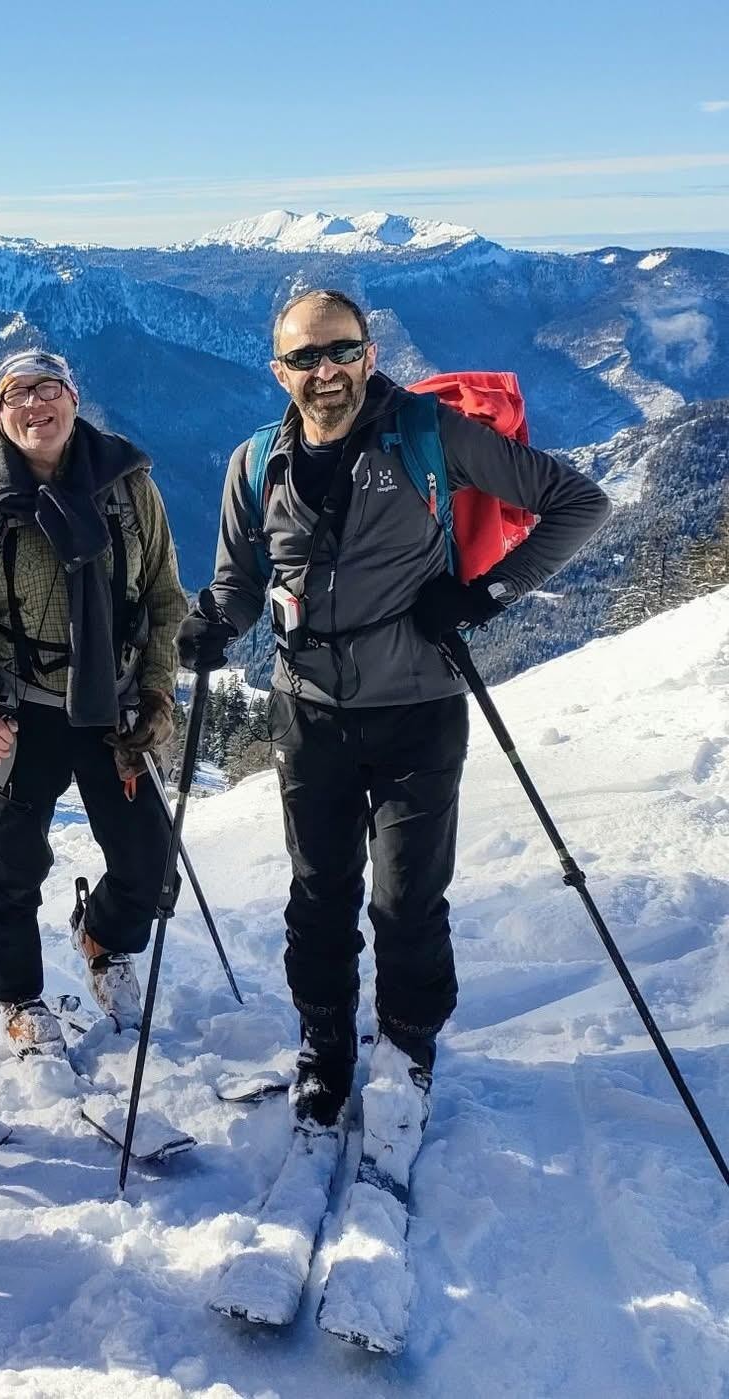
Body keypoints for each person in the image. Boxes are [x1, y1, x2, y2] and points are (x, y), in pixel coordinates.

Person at [177, 287, 610, 1135]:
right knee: (318, 892)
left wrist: (485, 596)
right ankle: (325, 1045)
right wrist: (214, 622)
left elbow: (579, 503)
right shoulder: (254, 462)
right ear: (279, 370)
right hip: (308, 713)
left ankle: (407, 1047)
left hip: (419, 707)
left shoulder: (429, 435)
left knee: (407, 898)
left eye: (341, 350)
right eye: (305, 357)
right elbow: (239, 582)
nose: (326, 370)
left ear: (370, 355)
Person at [0, 348, 190, 1057]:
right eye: (17, 393)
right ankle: (16, 997)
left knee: (148, 862)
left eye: (48, 388)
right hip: (26, 708)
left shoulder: (127, 486)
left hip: (116, 701)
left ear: (74, 400)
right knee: (15, 866)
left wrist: (157, 690)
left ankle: (102, 936)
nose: (35, 404)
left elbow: (165, 599)